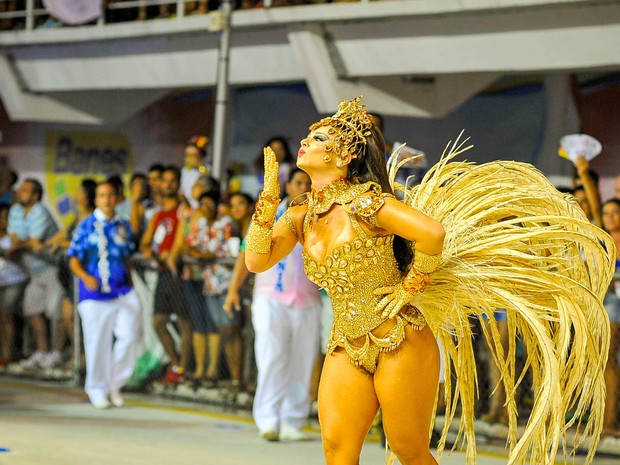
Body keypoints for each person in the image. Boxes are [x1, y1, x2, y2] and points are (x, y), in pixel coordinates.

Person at [245, 96, 614, 465]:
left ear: (343, 157)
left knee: (408, 449)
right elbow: (256, 260)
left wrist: (411, 286)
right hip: (346, 341)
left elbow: (431, 234)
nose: (306, 142)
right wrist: (267, 199)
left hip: (400, 338)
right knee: (337, 450)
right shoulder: (299, 214)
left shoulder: (366, 204)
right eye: (309, 137)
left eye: (320, 139)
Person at [244, 168, 322, 442]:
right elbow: (248, 256)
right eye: (299, 182)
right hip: (270, 300)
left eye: (308, 184)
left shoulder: (321, 220)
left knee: (302, 360)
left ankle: (293, 420)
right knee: (272, 357)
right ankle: (268, 419)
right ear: (288, 186)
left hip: (308, 302)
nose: (303, 187)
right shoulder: (270, 216)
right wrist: (233, 291)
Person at [67, 181, 142, 409]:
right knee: (97, 342)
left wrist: (131, 282)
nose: (107, 199)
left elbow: (127, 256)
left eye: (111, 195)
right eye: (102, 195)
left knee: (130, 336)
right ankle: (97, 389)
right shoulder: (86, 225)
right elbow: (73, 259)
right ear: (96, 199)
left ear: (117, 198)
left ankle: (115, 384)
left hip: (121, 291)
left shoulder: (123, 225)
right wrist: (85, 277)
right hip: (94, 294)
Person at [139, 165, 192, 384]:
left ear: (178, 184)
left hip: (178, 272)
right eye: (165, 181)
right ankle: (175, 362)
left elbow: (182, 236)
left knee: (184, 321)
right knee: (158, 321)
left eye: (172, 181)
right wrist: (149, 251)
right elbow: (145, 241)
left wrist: (174, 252)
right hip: (162, 272)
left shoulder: (183, 209)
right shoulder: (159, 214)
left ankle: (184, 368)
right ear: (159, 184)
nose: (168, 185)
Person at [7, 179, 65, 370]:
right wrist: (22, 243)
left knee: (56, 312)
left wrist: (21, 244)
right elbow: (15, 237)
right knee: (31, 309)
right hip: (33, 272)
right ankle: (42, 351)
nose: (20, 192)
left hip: (52, 268)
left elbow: (34, 240)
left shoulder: (40, 211)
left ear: (35, 196)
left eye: (25, 190)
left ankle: (57, 353)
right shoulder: (15, 210)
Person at [601, 198, 620, 436]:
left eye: (615, 212)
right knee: (607, 358)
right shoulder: (603, 243)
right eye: (606, 214)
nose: (610, 217)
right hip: (612, 303)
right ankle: (609, 419)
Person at [180, 136, 209, 209]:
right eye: (187, 155)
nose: (189, 158)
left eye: (193, 155)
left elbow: (207, 177)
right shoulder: (184, 171)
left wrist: (199, 165)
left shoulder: (204, 168)